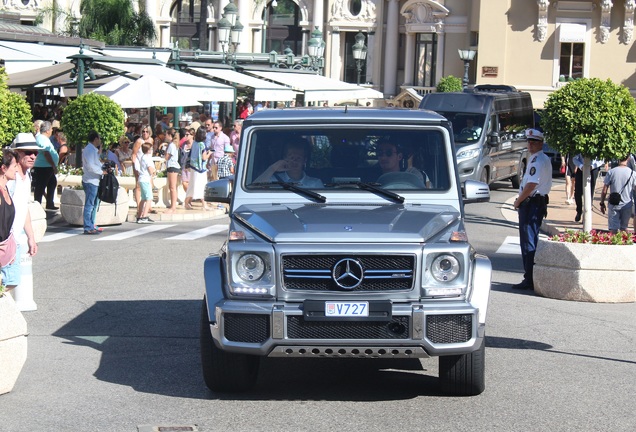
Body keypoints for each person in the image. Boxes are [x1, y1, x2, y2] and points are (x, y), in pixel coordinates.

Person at [512, 129, 552, 290]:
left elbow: (531, 185)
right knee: (530, 239)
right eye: (529, 141)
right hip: (535, 202)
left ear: (541, 143)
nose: (530, 144)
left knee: (528, 241)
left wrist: (518, 201)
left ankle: (529, 278)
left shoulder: (537, 161)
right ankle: (531, 276)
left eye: (534, 142)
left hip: (531, 203)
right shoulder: (540, 158)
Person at [2, 136, 39, 290]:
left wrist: (31, 237)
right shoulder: (11, 177)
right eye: (28, 152)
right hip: (5, 240)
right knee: (8, 282)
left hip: (14, 240)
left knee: (10, 282)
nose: (33, 156)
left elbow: (24, 208)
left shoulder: (27, 176)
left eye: (36, 153)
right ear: (17, 153)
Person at [254, 140, 324, 188]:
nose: (294, 161)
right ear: (285, 158)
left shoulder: (315, 183)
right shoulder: (274, 180)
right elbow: (253, 189)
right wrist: (272, 168)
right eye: (292, 157)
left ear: (304, 160)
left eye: (298, 158)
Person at [599, 155, 636, 233]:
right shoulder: (632, 173)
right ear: (628, 158)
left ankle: (614, 243)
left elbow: (604, 190)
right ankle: (624, 243)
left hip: (613, 204)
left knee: (613, 229)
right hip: (627, 204)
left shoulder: (611, 172)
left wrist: (602, 203)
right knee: (624, 228)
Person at [0, 149, 20, 281]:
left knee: (12, 282)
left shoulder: (7, 188)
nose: (17, 170)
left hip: (6, 249)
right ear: (3, 168)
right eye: (14, 166)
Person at [184, 127, 212, 210]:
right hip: (200, 169)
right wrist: (209, 153)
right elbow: (204, 158)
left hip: (193, 167)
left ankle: (186, 202)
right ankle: (204, 204)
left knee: (192, 185)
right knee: (201, 186)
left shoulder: (195, 143)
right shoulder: (202, 144)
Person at [33, 121, 59, 210]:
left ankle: (50, 203)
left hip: (46, 166)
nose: (52, 131)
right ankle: (37, 204)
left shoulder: (43, 138)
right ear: (47, 130)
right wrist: (53, 165)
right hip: (44, 167)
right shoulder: (42, 139)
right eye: (51, 129)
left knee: (52, 183)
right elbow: (46, 153)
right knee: (41, 186)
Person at [82, 131, 104, 235]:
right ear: (95, 139)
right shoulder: (89, 150)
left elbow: (95, 163)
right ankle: (87, 227)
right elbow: (91, 166)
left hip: (95, 180)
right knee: (89, 205)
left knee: (93, 204)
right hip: (91, 181)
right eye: (98, 138)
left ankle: (91, 224)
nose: (99, 140)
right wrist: (101, 171)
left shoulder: (93, 150)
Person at [572, 153, 603, 222]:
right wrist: (581, 166)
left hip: (593, 169)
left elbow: (601, 159)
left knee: (590, 191)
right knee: (578, 192)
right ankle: (579, 211)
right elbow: (574, 158)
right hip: (581, 168)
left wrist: (593, 166)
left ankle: (586, 214)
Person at [136, 142, 156, 224]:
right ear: (148, 150)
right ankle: (144, 216)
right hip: (145, 179)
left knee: (143, 199)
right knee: (149, 198)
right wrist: (154, 172)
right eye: (151, 148)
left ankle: (139, 216)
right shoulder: (147, 158)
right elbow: (150, 170)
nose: (152, 150)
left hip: (142, 179)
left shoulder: (143, 157)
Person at [164, 128, 181, 214]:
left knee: (172, 187)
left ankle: (173, 206)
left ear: (170, 135)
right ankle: (173, 205)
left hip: (172, 167)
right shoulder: (174, 145)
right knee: (173, 187)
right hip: (174, 167)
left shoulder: (171, 145)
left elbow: (166, 157)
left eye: (166, 134)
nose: (165, 136)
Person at [180, 128, 194, 194]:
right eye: (185, 134)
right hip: (183, 165)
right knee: (184, 182)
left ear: (192, 135)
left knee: (190, 182)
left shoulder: (195, 145)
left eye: (187, 135)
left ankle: (189, 197)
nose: (185, 136)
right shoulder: (184, 145)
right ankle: (188, 195)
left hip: (191, 166)